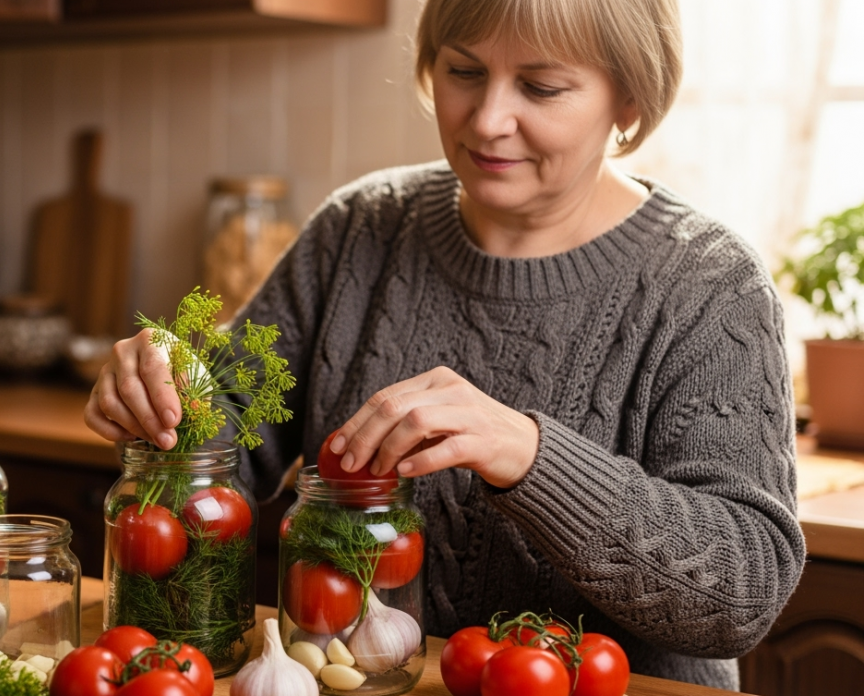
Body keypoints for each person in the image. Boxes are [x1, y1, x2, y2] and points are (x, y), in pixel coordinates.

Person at [84, 0, 805, 689]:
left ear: (630, 98)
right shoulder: (359, 228)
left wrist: (528, 453)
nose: (489, 120)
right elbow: (221, 450)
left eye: (542, 86)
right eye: (464, 72)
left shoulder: (710, 285)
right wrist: (161, 402)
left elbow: (744, 590)